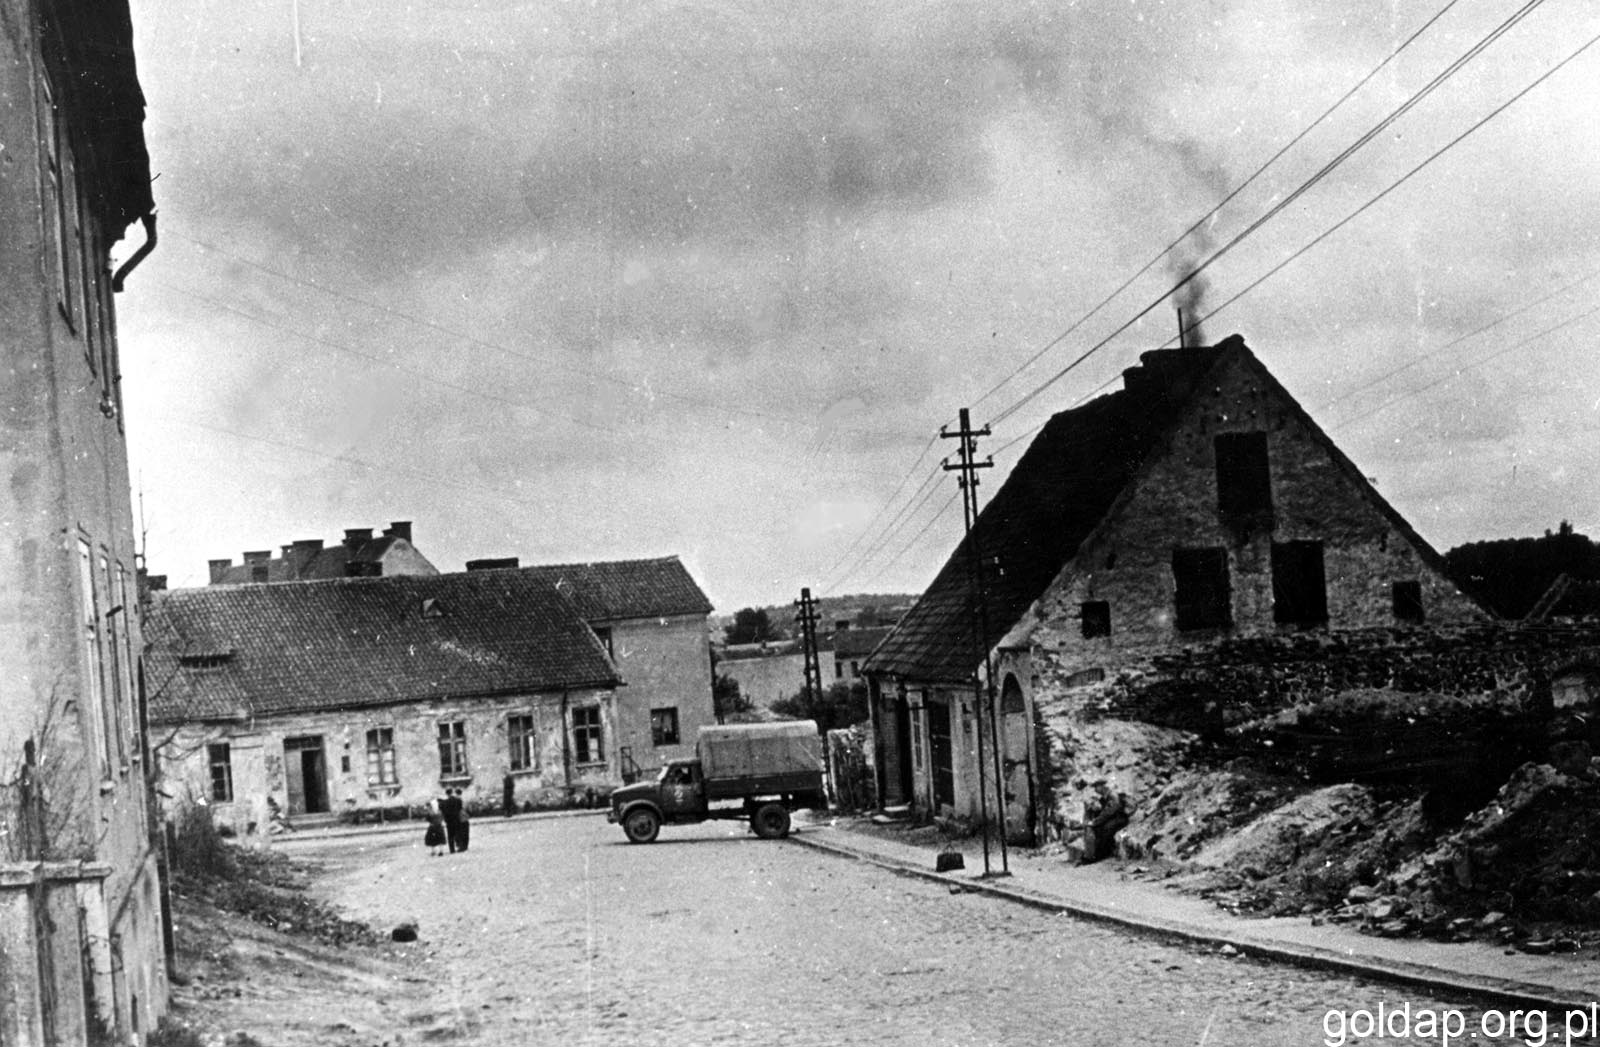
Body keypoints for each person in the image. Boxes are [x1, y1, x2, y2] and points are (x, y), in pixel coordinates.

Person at [440, 788, 464, 854]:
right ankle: (460, 847)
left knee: (450, 835)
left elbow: (443, 811)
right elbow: (460, 809)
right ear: (452, 792)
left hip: (449, 821)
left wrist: (446, 819)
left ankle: (452, 849)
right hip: (457, 819)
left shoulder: (444, 802)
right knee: (458, 833)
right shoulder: (458, 800)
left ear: (446, 794)